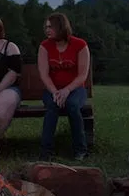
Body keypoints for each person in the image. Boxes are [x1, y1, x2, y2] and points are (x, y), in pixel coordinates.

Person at [37, 12, 91, 160]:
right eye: (46, 27)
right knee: (53, 106)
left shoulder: (80, 45)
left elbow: (82, 76)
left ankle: (80, 150)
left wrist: (67, 90)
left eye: (51, 27)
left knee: (73, 106)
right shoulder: (45, 46)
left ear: (61, 27)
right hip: (52, 90)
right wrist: (56, 92)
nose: (47, 30)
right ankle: (46, 151)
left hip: (75, 89)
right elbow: (44, 75)